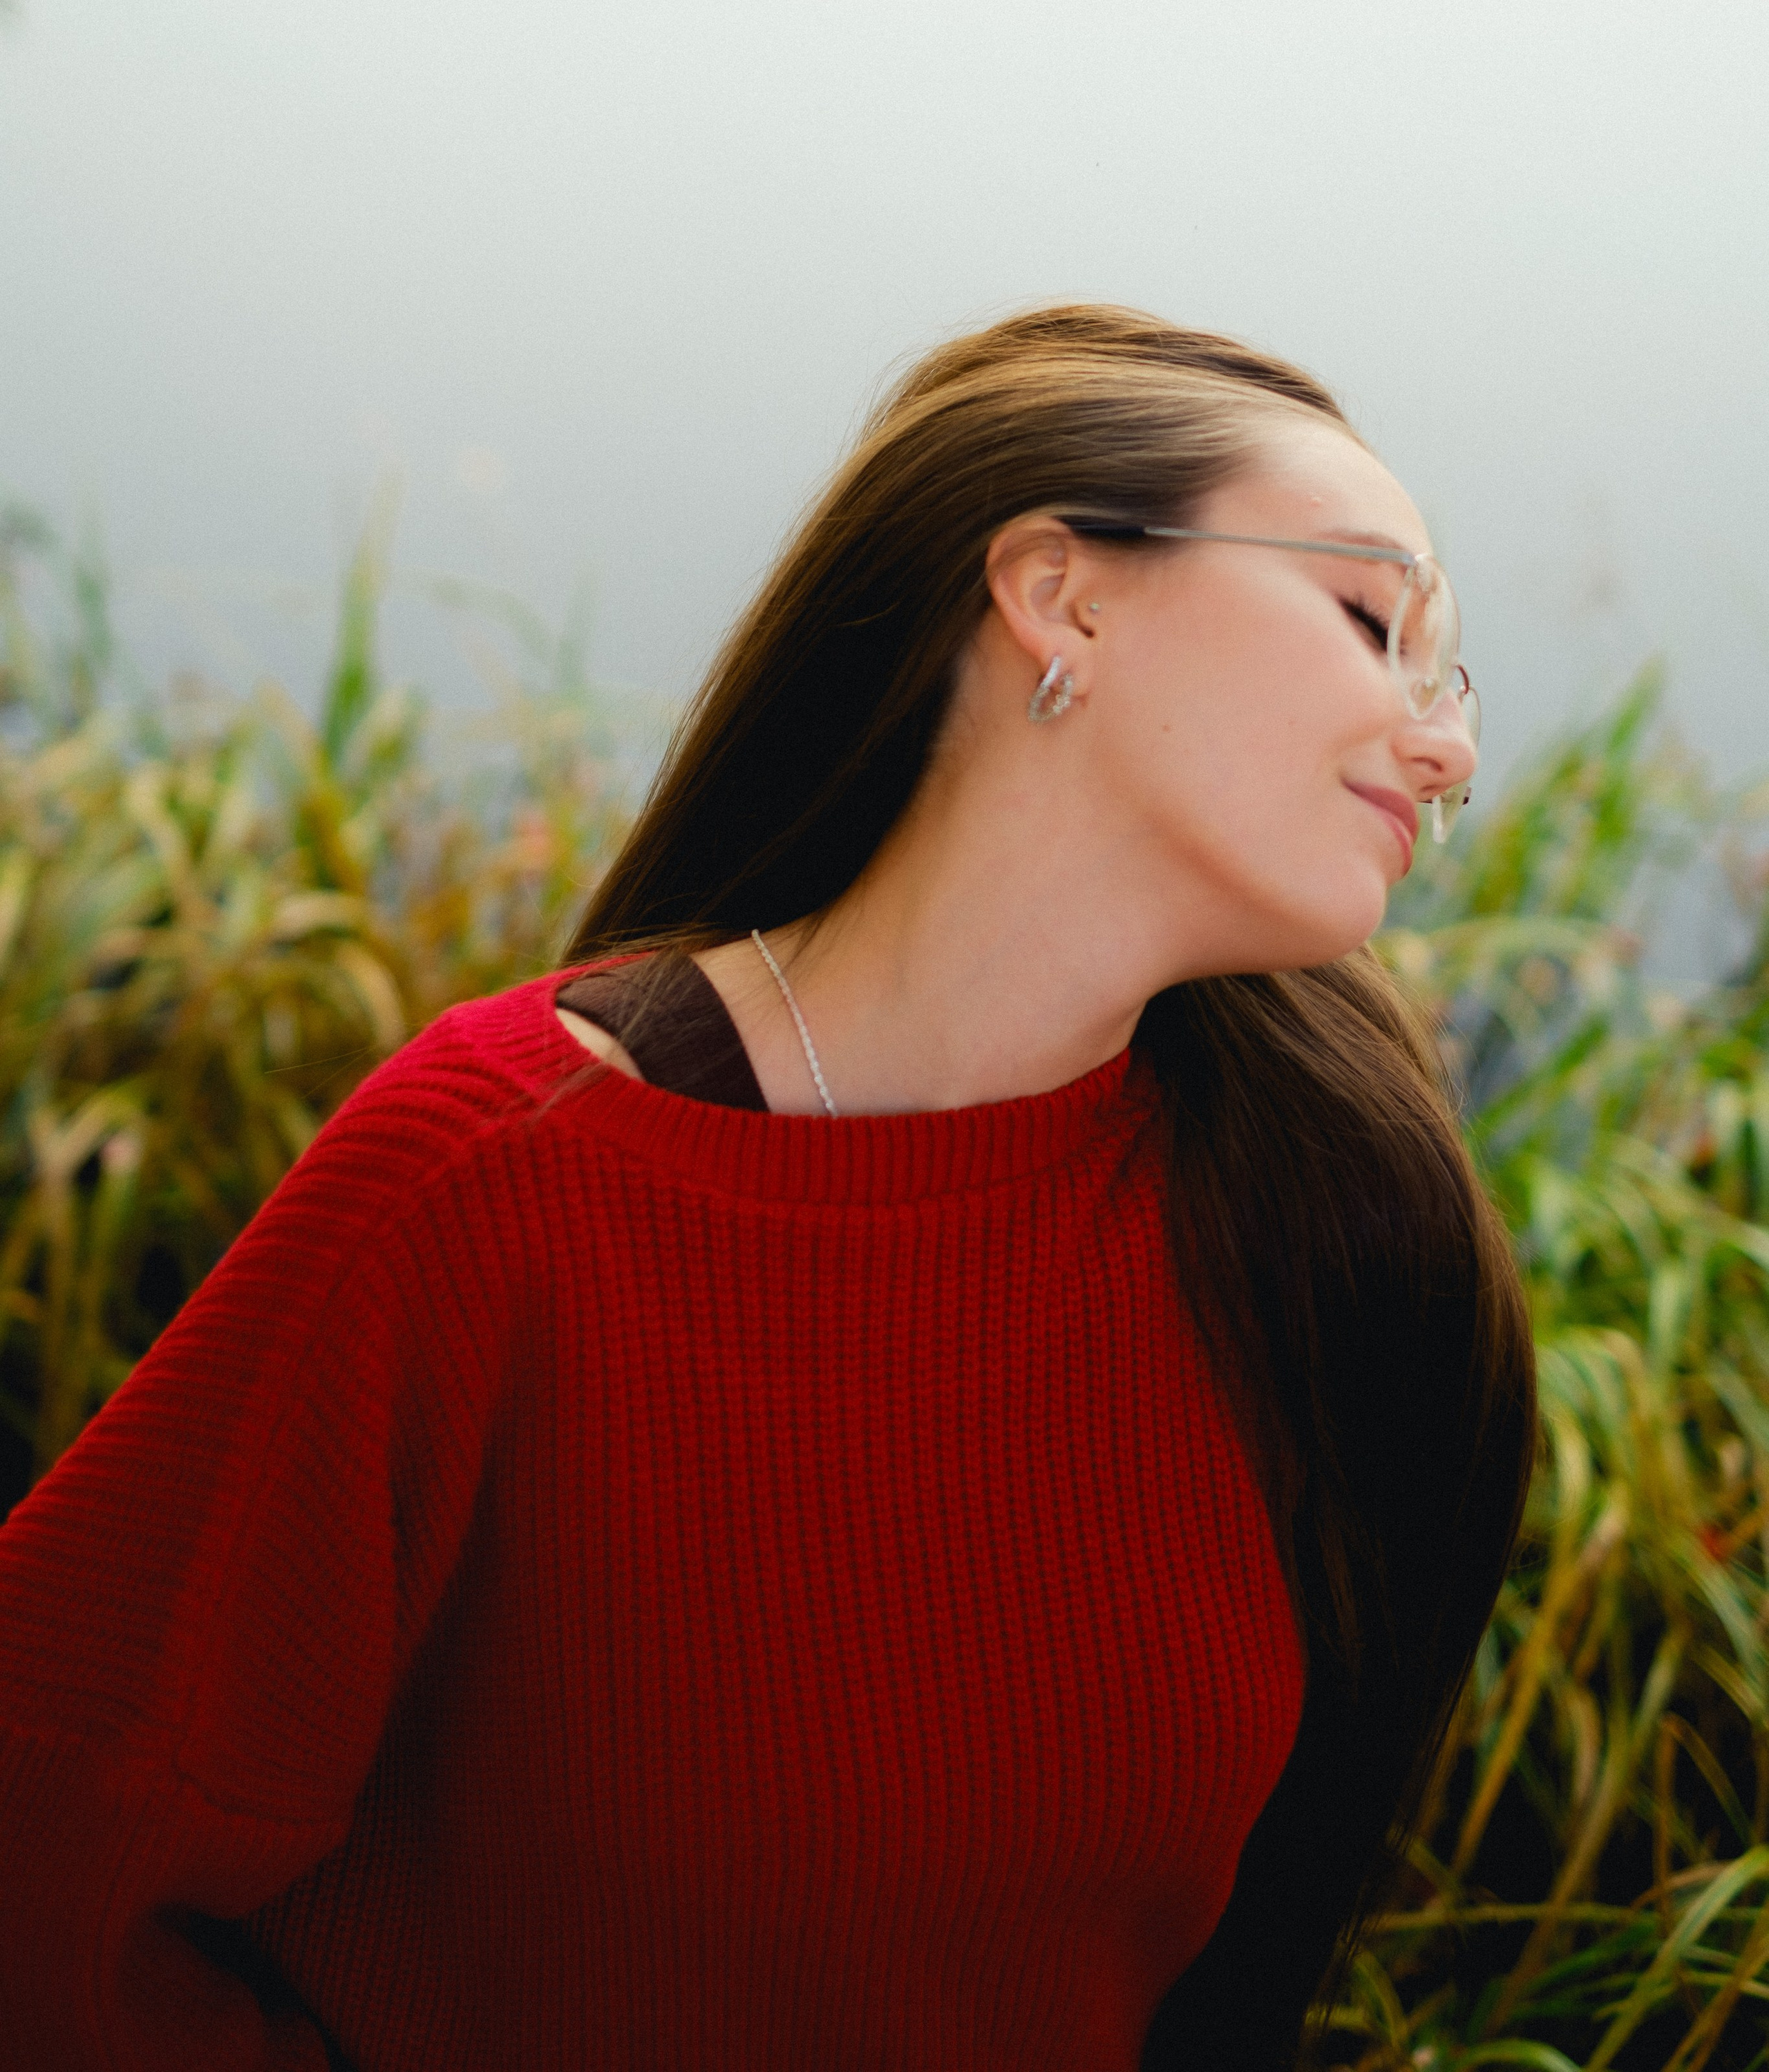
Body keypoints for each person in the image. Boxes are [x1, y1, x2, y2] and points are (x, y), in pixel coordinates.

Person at [0, 303, 1534, 2071]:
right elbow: (48, 1879)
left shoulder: (1325, 1221)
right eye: (1371, 622)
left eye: (1450, 680)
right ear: (1063, 594)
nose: (1446, 750)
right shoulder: (501, 1183)